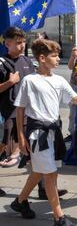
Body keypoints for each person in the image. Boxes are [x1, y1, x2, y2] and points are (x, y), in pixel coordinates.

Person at [11, 39, 77, 226]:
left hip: (54, 133)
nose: (58, 58)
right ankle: (59, 217)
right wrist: (21, 136)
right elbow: (20, 108)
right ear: (42, 58)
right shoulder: (30, 80)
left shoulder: (59, 80)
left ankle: (19, 202)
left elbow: (76, 100)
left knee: (38, 171)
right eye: (55, 55)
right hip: (37, 134)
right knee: (50, 174)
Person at [0, 27, 35, 168]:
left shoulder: (27, 62)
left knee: (33, 149)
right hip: (7, 113)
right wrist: (10, 82)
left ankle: (43, 188)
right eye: (18, 42)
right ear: (8, 44)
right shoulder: (2, 62)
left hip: (26, 112)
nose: (22, 45)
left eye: (24, 42)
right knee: (3, 145)